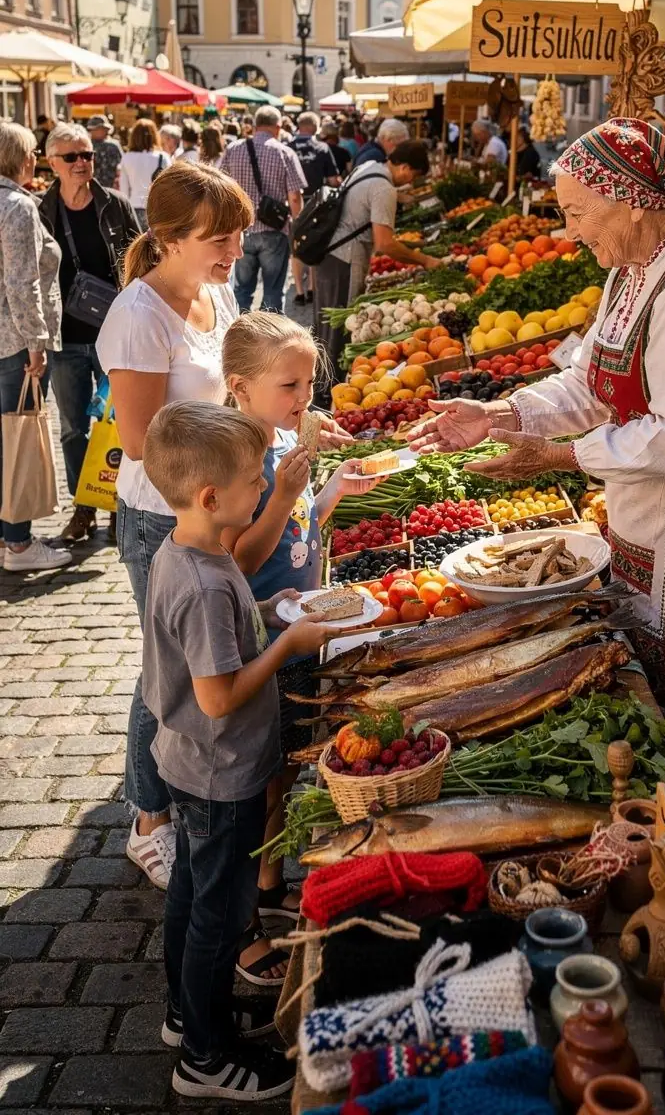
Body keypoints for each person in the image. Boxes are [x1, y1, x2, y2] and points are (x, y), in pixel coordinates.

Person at [413, 118, 665, 814]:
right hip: (655, 507)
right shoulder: (633, 273)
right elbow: (590, 383)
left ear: (629, 199)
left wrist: (560, 456)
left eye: (577, 212)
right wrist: (502, 413)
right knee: (659, 678)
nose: (571, 232)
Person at [139, 399, 329, 1100]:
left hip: (191, 764)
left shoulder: (189, 553)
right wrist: (286, 643)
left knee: (192, 897)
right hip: (221, 773)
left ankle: (187, 1014)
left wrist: (270, 613)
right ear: (212, 497)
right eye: (256, 481)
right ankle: (205, 1058)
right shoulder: (204, 584)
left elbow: (220, 646)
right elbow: (218, 697)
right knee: (219, 919)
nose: (266, 487)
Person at [96, 162, 252, 888]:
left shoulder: (214, 293)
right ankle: (147, 821)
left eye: (240, 235)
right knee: (167, 674)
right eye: (221, 238)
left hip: (208, 505)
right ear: (169, 239)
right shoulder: (139, 315)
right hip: (163, 516)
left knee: (199, 664)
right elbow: (138, 439)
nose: (236, 251)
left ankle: (179, 789)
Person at [221, 313, 382, 972]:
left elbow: (299, 529)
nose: (304, 397)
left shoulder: (284, 440)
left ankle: (268, 884)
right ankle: (241, 926)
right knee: (256, 781)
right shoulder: (237, 459)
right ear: (240, 387)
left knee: (286, 766)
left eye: (310, 382)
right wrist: (285, 489)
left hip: (300, 629)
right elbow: (238, 559)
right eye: (289, 385)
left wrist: (332, 491)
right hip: (264, 639)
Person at [39, 122, 140, 545]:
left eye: (87, 155)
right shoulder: (41, 210)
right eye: (72, 157)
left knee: (120, 424)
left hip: (112, 335)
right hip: (64, 337)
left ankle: (120, 508)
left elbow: (140, 260)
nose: (82, 163)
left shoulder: (114, 205)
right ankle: (83, 508)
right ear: (52, 164)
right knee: (72, 428)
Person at [0, 122, 70, 573]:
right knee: (18, 441)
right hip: (14, 342)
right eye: (31, 152)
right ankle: (19, 542)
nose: (35, 160)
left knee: (4, 440)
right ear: (18, 158)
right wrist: (36, 343)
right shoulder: (17, 206)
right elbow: (22, 282)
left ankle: (7, 537)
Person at [314, 138, 442, 381]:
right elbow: (384, 243)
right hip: (345, 260)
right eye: (413, 176)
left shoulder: (370, 167)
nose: (410, 182)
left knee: (325, 327)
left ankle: (322, 384)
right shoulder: (384, 188)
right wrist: (424, 260)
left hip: (329, 254)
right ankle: (330, 388)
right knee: (339, 331)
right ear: (404, 168)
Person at [220, 106, 306, 314]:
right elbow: (295, 197)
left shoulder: (233, 149)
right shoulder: (284, 152)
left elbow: (220, 188)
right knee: (273, 291)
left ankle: (238, 329)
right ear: (278, 127)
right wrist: (297, 226)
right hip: (274, 231)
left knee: (242, 289)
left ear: (255, 125)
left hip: (240, 230)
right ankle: (270, 332)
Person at [288, 112, 341, 307]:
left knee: (295, 248)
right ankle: (311, 288)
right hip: (316, 204)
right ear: (315, 127)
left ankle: (299, 292)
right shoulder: (322, 148)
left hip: (293, 204)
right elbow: (333, 180)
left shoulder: (287, 148)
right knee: (314, 244)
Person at [119, 119, 168, 228]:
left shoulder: (127, 158)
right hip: (155, 209)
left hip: (133, 208)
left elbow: (124, 190)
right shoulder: (163, 157)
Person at [87, 115, 123, 189]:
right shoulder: (86, 146)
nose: (106, 131)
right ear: (92, 129)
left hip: (111, 188)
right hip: (91, 188)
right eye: (102, 128)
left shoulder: (114, 145)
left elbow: (122, 166)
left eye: (106, 128)